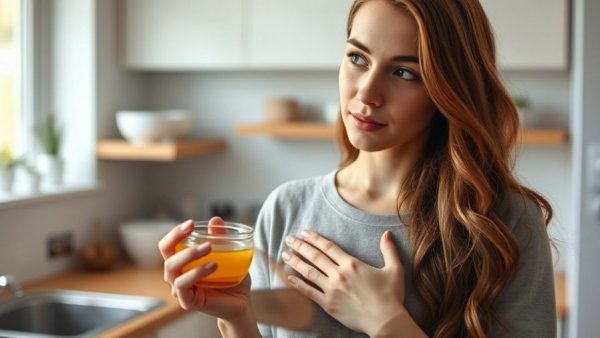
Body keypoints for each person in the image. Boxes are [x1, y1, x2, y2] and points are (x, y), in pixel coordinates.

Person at [158, 0, 557, 337]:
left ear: (447, 90)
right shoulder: (286, 208)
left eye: (403, 72)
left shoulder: (504, 223)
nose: (366, 92)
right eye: (357, 58)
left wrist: (386, 321)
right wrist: (237, 316)